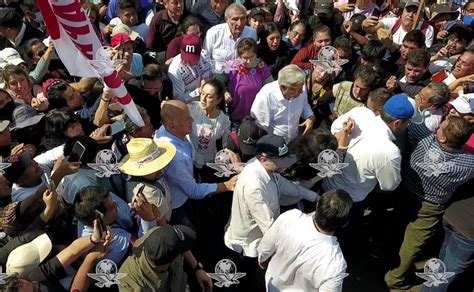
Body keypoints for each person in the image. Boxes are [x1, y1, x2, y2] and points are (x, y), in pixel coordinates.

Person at [385, 115, 474, 290]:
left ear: (442, 138)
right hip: (431, 206)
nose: (438, 126)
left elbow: (408, 123)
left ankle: (388, 263)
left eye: (441, 126)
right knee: (413, 243)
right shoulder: (469, 164)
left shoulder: (424, 140)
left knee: (397, 225)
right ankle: (395, 277)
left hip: (407, 192)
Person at [224, 134, 317, 291]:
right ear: (264, 158)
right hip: (249, 248)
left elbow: (282, 184)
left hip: (258, 239)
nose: (284, 166)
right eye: (280, 162)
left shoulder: (262, 167)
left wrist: (314, 196)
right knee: (253, 284)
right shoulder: (255, 186)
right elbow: (269, 228)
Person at [155, 100, 237, 226]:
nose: (192, 121)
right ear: (172, 126)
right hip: (179, 206)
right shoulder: (175, 158)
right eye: (187, 119)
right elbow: (193, 190)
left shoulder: (167, 130)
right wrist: (227, 185)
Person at [258, 189, 353, 291]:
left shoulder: (290, 218)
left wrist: (262, 258)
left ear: (317, 206)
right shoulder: (335, 263)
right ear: (344, 224)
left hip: (272, 285)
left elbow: (266, 247)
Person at [118, 224, 212, 292]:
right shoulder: (129, 283)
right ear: (173, 261)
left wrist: (197, 269)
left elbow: (181, 247)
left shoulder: (158, 234)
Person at [120, 138, 176, 229]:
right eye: (155, 167)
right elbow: (162, 221)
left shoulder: (131, 179)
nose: (161, 169)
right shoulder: (150, 193)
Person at [250, 64, 315, 143]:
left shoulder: (300, 86)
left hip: (295, 140)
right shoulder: (266, 95)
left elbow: (304, 104)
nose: (301, 91)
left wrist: (310, 116)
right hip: (273, 144)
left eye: (302, 87)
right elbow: (260, 125)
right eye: (296, 89)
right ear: (283, 87)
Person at [219, 38, 273, 126]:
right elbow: (218, 81)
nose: (248, 61)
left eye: (252, 57)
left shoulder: (261, 66)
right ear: (239, 56)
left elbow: (270, 87)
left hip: (256, 118)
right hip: (235, 116)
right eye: (245, 58)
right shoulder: (232, 65)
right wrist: (224, 91)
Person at [188, 79, 230, 170]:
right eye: (202, 94)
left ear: (218, 100)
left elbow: (224, 144)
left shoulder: (224, 121)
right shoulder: (191, 108)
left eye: (209, 97)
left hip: (209, 159)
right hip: (190, 156)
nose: (203, 99)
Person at [203, 3, 258, 73]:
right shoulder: (213, 33)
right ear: (226, 19)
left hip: (243, 77)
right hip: (218, 77)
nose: (239, 23)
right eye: (235, 19)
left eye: (243, 18)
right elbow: (205, 60)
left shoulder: (251, 33)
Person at [361, 0, 434, 48]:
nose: (410, 15)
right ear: (403, 12)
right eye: (408, 11)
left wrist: (392, 45)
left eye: (415, 12)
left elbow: (421, 55)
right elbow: (370, 29)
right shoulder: (394, 22)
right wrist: (364, 25)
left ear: (421, 16)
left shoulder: (427, 29)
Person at [167, 34, 214, 103]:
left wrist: (210, 81)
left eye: (193, 59)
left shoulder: (204, 55)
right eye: (186, 57)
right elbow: (178, 98)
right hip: (189, 105)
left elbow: (213, 75)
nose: (189, 62)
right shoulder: (175, 70)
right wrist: (199, 91)